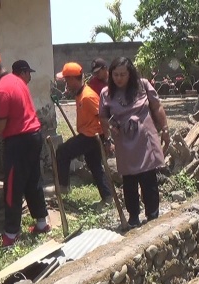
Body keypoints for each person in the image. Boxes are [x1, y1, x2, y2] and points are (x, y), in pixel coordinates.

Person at [0, 51, 50, 248]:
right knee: (33, 181)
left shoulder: (1, 90)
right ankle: (41, 223)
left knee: (13, 187)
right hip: (33, 136)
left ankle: (10, 235)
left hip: (19, 141)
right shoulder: (16, 80)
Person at [99, 57, 170, 228]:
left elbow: (157, 106)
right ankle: (133, 216)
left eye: (123, 74)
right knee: (129, 180)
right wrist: (108, 134)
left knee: (148, 178)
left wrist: (165, 129)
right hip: (123, 140)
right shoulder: (106, 93)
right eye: (115, 74)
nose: (119, 78)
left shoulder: (143, 85)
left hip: (145, 138)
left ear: (130, 74)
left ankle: (153, 214)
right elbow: (103, 116)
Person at [54, 62, 112, 204]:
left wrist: (108, 140)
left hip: (92, 136)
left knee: (62, 152)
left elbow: (104, 116)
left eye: (67, 80)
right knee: (95, 166)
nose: (66, 83)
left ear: (74, 79)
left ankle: (63, 187)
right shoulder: (80, 94)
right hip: (90, 134)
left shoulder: (87, 96)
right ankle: (108, 197)